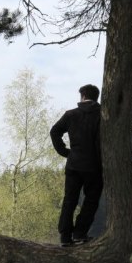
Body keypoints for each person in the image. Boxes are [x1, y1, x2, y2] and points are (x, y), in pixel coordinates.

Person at [50, 84, 103, 247]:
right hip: (94, 165)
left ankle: (65, 236)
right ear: (97, 97)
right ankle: (80, 233)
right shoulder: (103, 115)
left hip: (74, 164)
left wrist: (65, 152)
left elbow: (54, 131)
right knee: (91, 200)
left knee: (70, 200)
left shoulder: (71, 114)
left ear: (82, 96)